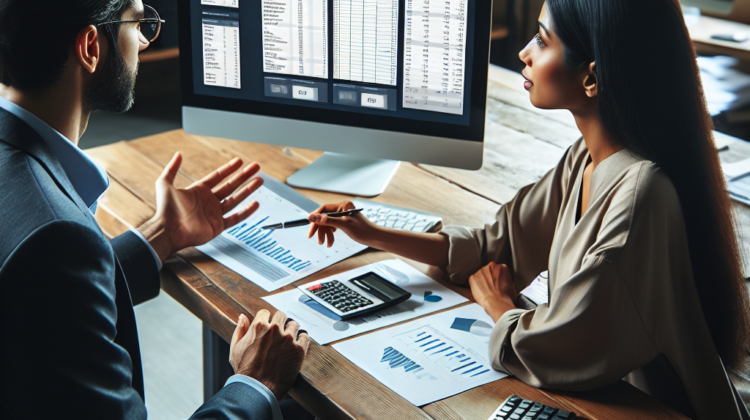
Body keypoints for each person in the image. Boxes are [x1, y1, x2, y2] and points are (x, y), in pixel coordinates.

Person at [306, 0, 750, 418]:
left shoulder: (641, 195)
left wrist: (498, 305)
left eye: (541, 39)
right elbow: (492, 249)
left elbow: (560, 348)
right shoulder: (587, 158)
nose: (522, 52)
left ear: (593, 78)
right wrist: (372, 233)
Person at [0, 0, 310, 418]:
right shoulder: (58, 240)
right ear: (91, 46)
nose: (144, 41)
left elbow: (36, 303)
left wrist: (161, 234)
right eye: (138, 21)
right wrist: (255, 381)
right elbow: (49, 266)